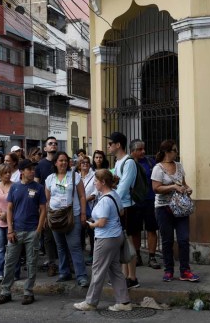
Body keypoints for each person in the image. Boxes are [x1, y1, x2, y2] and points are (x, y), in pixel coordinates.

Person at [74, 169, 132, 312]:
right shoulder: (114, 195)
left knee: (98, 270)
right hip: (115, 236)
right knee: (114, 270)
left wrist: (91, 224)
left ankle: (91, 302)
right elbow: (121, 212)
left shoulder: (105, 200)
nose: (94, 184)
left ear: (103, 182)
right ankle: (124, 302)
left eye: (96, 182)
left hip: (106, 238)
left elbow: (102, 223)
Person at [0, 159, 47, 306]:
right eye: (29, 169)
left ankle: (28, 292)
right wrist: (10, 229)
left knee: (31, 263)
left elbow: (43, 209)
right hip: (16, 231)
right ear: (22, 171)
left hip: (32, 232)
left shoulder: (39, 188)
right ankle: (5, 292)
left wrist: (38, 229)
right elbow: (9, 209)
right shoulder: (15, 187)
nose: (32, 171)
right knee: (9, 262)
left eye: (33, 169)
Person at [151, 140, 199, 283]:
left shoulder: (179, 166)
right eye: (174, 150)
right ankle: (169, 270)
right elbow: (156, 188)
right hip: (163, 208)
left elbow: (183, 184)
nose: (176, 153)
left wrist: (187, 189)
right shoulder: (158, 168)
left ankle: (185, 271)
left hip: (180, 208)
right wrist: (173, 187)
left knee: (184, 239)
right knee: (167, 241)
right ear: (167, 152)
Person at [45, 151, 89, 287]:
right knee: (60, 246)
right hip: (55, 216)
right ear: (55, 163)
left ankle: (81, 276)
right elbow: (47, 199)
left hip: (72, 215)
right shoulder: (50, 179)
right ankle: (64, 273)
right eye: (60, 160)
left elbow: (82, 196)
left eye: (65, 160)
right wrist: (47, 215)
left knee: (74, 246)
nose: (63, 163)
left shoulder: (74, 176)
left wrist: (83, 213)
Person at [108, 132, 140, 289]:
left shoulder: (129, 163)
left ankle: (132, 277)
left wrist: (110, 202)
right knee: (122, 243)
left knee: (128, 243)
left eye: (110, 144)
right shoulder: (118, 162)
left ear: (118, 145)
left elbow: (123, 187)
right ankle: (123, 276)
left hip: (127, 207)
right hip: (120, 206)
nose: (108, 147)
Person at [128, 139, 161, 270]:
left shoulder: (150, 162)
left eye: (143, 149)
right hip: (135, 202)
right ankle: (137, 256)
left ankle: (152, 257)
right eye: (140, 149)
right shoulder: (129, 163)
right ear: (133, 151)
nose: (143, 151)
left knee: (151, 229)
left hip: (150, 201)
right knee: (135, 230)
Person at [35, 136, 59, 277]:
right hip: (46, 205)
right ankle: (52, 263)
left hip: (62, 205)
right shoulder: (40, 165)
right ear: (45, 148)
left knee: (62, 236)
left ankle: (66, 263)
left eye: (55, 144)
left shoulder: (61, 162)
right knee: (48, 237)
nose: (53, 146)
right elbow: (38, 186)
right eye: (50, 144)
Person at [0, 163, 15, 283]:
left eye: (9, 172)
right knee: (1, 249)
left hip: (13, 222)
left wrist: (8, 215)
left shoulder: (15, 186)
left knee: (13, 249)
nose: (8, 174)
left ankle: (14, 273)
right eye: (5, 172)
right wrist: (0, 214)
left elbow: (18, 203)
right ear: (0, 174)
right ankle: (0, 273)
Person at [79, 156, 96, 264]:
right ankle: (81, 254)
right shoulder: (76, 176)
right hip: (79, 208)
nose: (85, 164)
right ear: (79, 165)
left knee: (91, 232)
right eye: (83, 162)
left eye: (87, 162)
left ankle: (93, 254)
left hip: (91, 207)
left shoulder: (94, 176)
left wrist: (83, 200)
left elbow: (95, 193)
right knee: (80, 231)